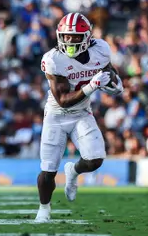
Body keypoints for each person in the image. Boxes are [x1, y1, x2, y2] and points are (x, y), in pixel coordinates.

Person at [35, 13, 124, 222]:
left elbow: (108, 72)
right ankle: (44, 208)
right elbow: (63, 100)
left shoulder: (100, 50)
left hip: (82, 113)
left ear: (86, 37)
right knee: (48, 169)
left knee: (95, 160)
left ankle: (73, 172)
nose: (69, 41)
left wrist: (114, 83)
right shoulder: (53, 59)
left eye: (74, 37)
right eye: (65, 36)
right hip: (57, 115)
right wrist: (93, 85)